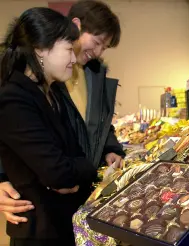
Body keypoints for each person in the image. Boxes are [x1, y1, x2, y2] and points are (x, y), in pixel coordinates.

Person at [0, 0, 126, 225]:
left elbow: (100, 122)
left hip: (77, 201)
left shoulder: (91, 76)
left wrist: (110, 148)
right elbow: (14, 131)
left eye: (104, 48)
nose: (97, 53)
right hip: (42, 211)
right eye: (96, 42)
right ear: (75, 27)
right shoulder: (32, 81)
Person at [0, 7, 97, 246]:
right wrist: (85, 169)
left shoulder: (52, 91)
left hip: (64, 222)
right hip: (40, 231)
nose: (74, 60)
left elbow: (72, 157)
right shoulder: (13, 97)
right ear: (41, 49)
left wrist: (75, 168)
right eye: (68, 50)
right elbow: (59, 173)